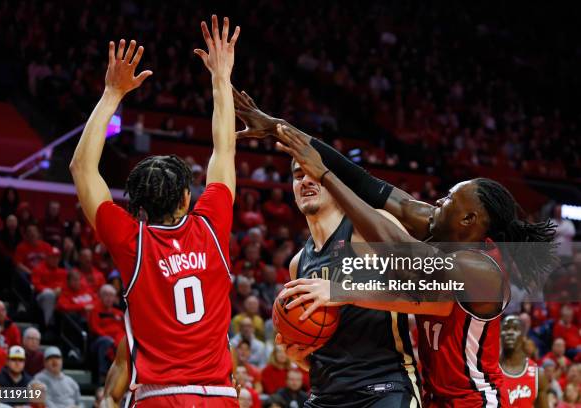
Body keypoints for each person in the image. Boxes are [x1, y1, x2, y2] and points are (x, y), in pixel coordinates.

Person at [235, 90, 555, 406]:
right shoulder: (439, 228)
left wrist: (328, 179)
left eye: (447, 201)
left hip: (476, 402)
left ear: (469, 219)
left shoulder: (483, 271)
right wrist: (278, 127)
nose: (436, 204)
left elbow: (399, 249)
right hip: (435, 399)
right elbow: (365, 182)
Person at [69, 16, 240, 406]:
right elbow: (224, 149)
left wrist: (112, 93)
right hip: (219, 395)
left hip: (160, 396)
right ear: (186, 199)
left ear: (138, 208)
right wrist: (220, 76)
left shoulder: (133, 241)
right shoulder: (212, 226)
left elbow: (81, 168)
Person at [499, 315, 548, 408]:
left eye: (515, 329)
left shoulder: (538, 375)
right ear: (499, 334)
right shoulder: (489, 371)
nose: (509, 332)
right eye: (505, 329)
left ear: (523, 336)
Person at [88, 285, 124, 382]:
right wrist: (110, 338)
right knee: (106, 342)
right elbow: (94, 328)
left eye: (111, 296)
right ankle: (103, 375)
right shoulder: (95, 310)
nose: (109, 298)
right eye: (106, 295)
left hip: (117, 340)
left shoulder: (119, 313)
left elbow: (124, 330)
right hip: (99, 341)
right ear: (101, 296)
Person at [32, 246, 67, 327]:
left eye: (57, 257)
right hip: (41, 297)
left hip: (59, 296)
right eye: (53, 257)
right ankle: (48, 325)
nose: (56, 259)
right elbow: (36, 285)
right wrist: (52, 291)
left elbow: (67, 286)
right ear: (47, 257)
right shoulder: (39, 269)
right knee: (49, 294)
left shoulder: (63, 272)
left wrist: (61, 290)